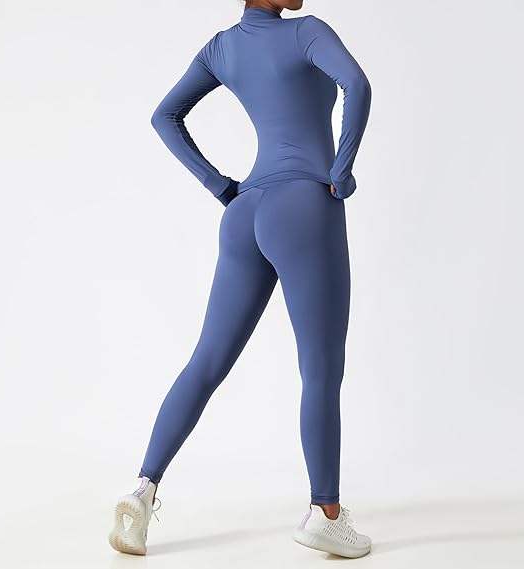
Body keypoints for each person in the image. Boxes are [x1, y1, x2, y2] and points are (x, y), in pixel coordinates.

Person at [109, 0, 372, 558]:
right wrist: (341, 169)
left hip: (245, 210)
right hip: (304, 203)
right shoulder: (307, 32)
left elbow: (164, 116)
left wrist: (219, 186)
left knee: (206, 362)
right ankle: (325, 513)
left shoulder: (221, 48)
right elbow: (356, 83)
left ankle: (141, 492)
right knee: (320, 367)